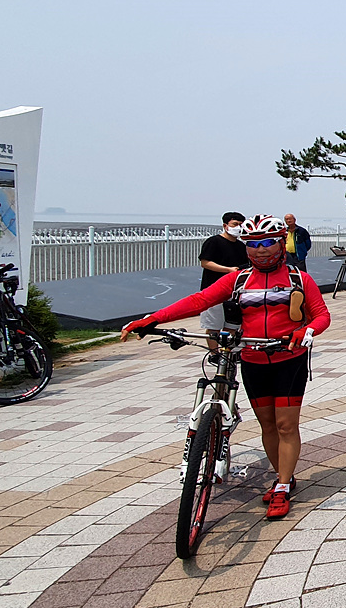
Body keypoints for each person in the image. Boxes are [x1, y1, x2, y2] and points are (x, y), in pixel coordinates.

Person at [121, 215, 329, 520]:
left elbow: (322, 315)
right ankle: (283, 475)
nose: (260, 249)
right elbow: (199, 300)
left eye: (266, 242)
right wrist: (152, 319)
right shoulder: (239, 279)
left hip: (288, 360)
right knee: (267, 425)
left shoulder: (299, 279)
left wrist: (306, 331)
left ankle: (283, 486)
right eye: (252, 244)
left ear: (280, 243)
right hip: (252, 360)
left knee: (285, 425)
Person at [197, 212, 249, 358]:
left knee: (232, 325)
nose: (238, 228)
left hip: (233, 292)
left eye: (241, 225)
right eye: (235, 224)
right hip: (213, 290)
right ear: (225, 226)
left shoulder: (241, 246)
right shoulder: (214, 242)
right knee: (213, 325)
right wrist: (228, 270)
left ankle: (228, 353)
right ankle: (214, 354)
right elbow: (205, 262)